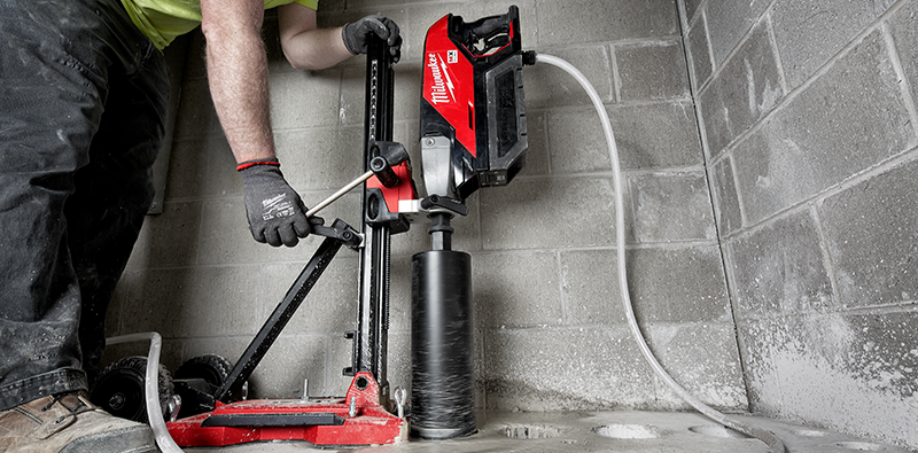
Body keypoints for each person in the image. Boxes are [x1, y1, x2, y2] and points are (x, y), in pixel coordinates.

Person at [0, 0, 401, 451]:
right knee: (32, 173)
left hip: (142, 39)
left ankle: (70, 391)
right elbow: (228, 24)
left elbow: (298, 45)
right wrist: (260, 172)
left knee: (117, 202)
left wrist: (349, 38)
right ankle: (25, 396)